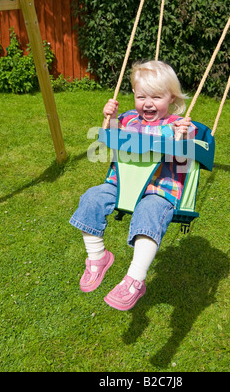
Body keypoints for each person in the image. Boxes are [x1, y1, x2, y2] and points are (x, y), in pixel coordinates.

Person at [69, 60, 197, 311]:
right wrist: (111, 118)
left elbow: (187, 148)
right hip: (120, 185)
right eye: (141, 96)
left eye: (156, 97)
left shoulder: (178, 124)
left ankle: (134, 280)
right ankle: (98, 258)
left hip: (159, 190)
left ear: (171, 98)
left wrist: (183, 135)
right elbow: (112, 135)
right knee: (91, 198)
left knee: (149, 214)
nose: (147, 103)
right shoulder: (128, 119)